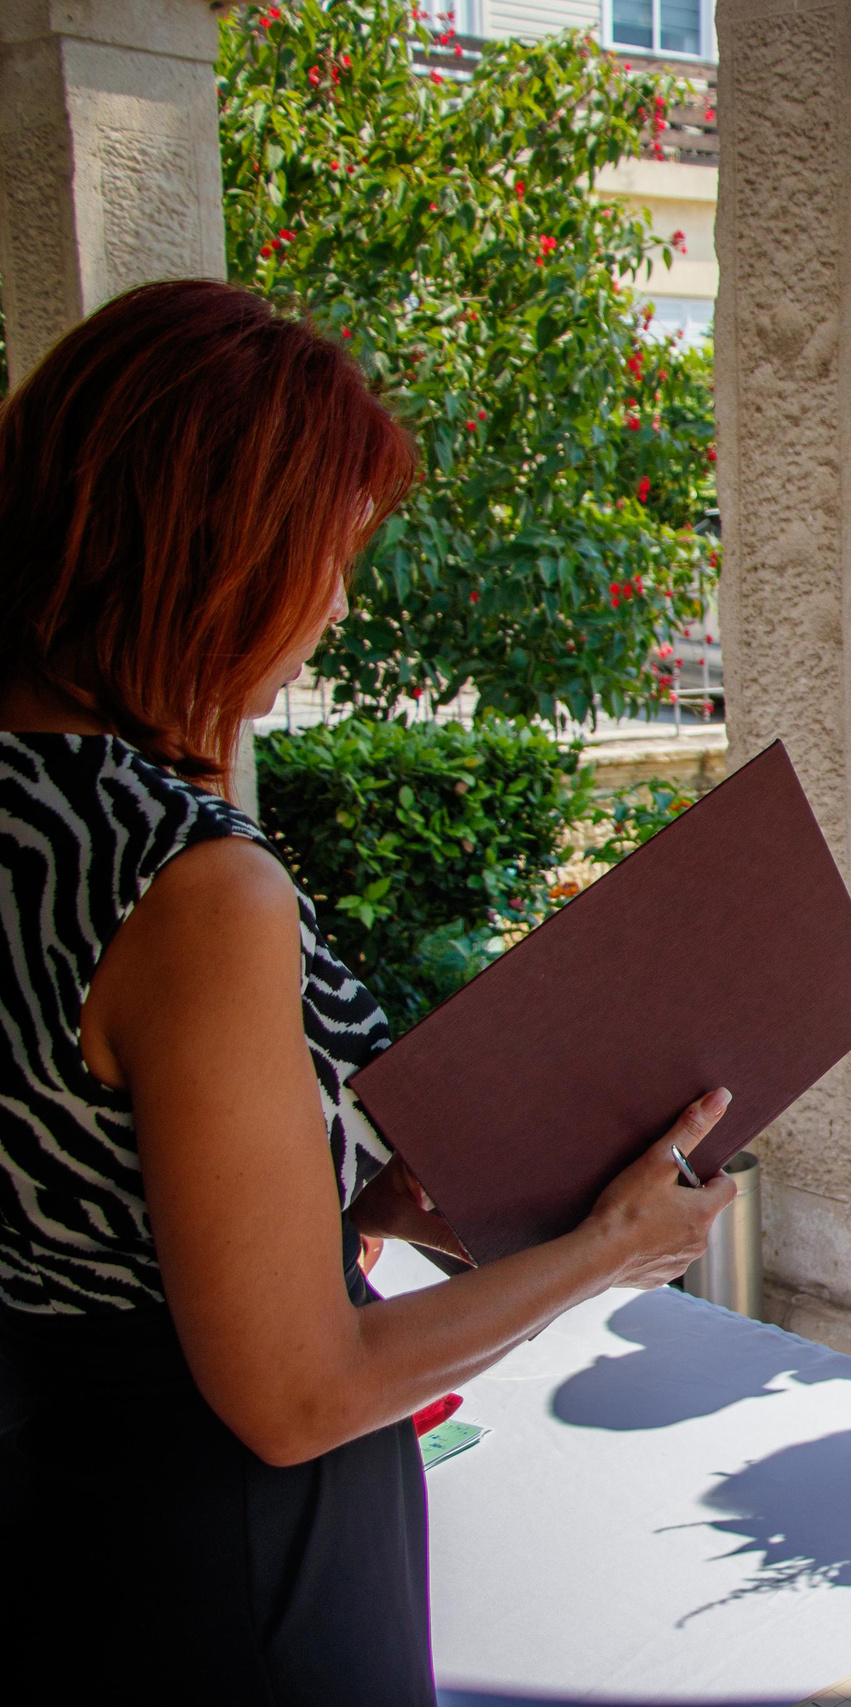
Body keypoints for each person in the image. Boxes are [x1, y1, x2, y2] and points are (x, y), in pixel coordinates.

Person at [0, 282, 737, 1702]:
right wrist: (608, 1244)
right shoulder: (187, 883)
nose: (335, 606)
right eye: (321, 556)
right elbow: (296, 1391)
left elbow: (100, 1167)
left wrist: (356, 1184)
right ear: (209, 551)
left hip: (64, 1514)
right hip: (228, 1564)